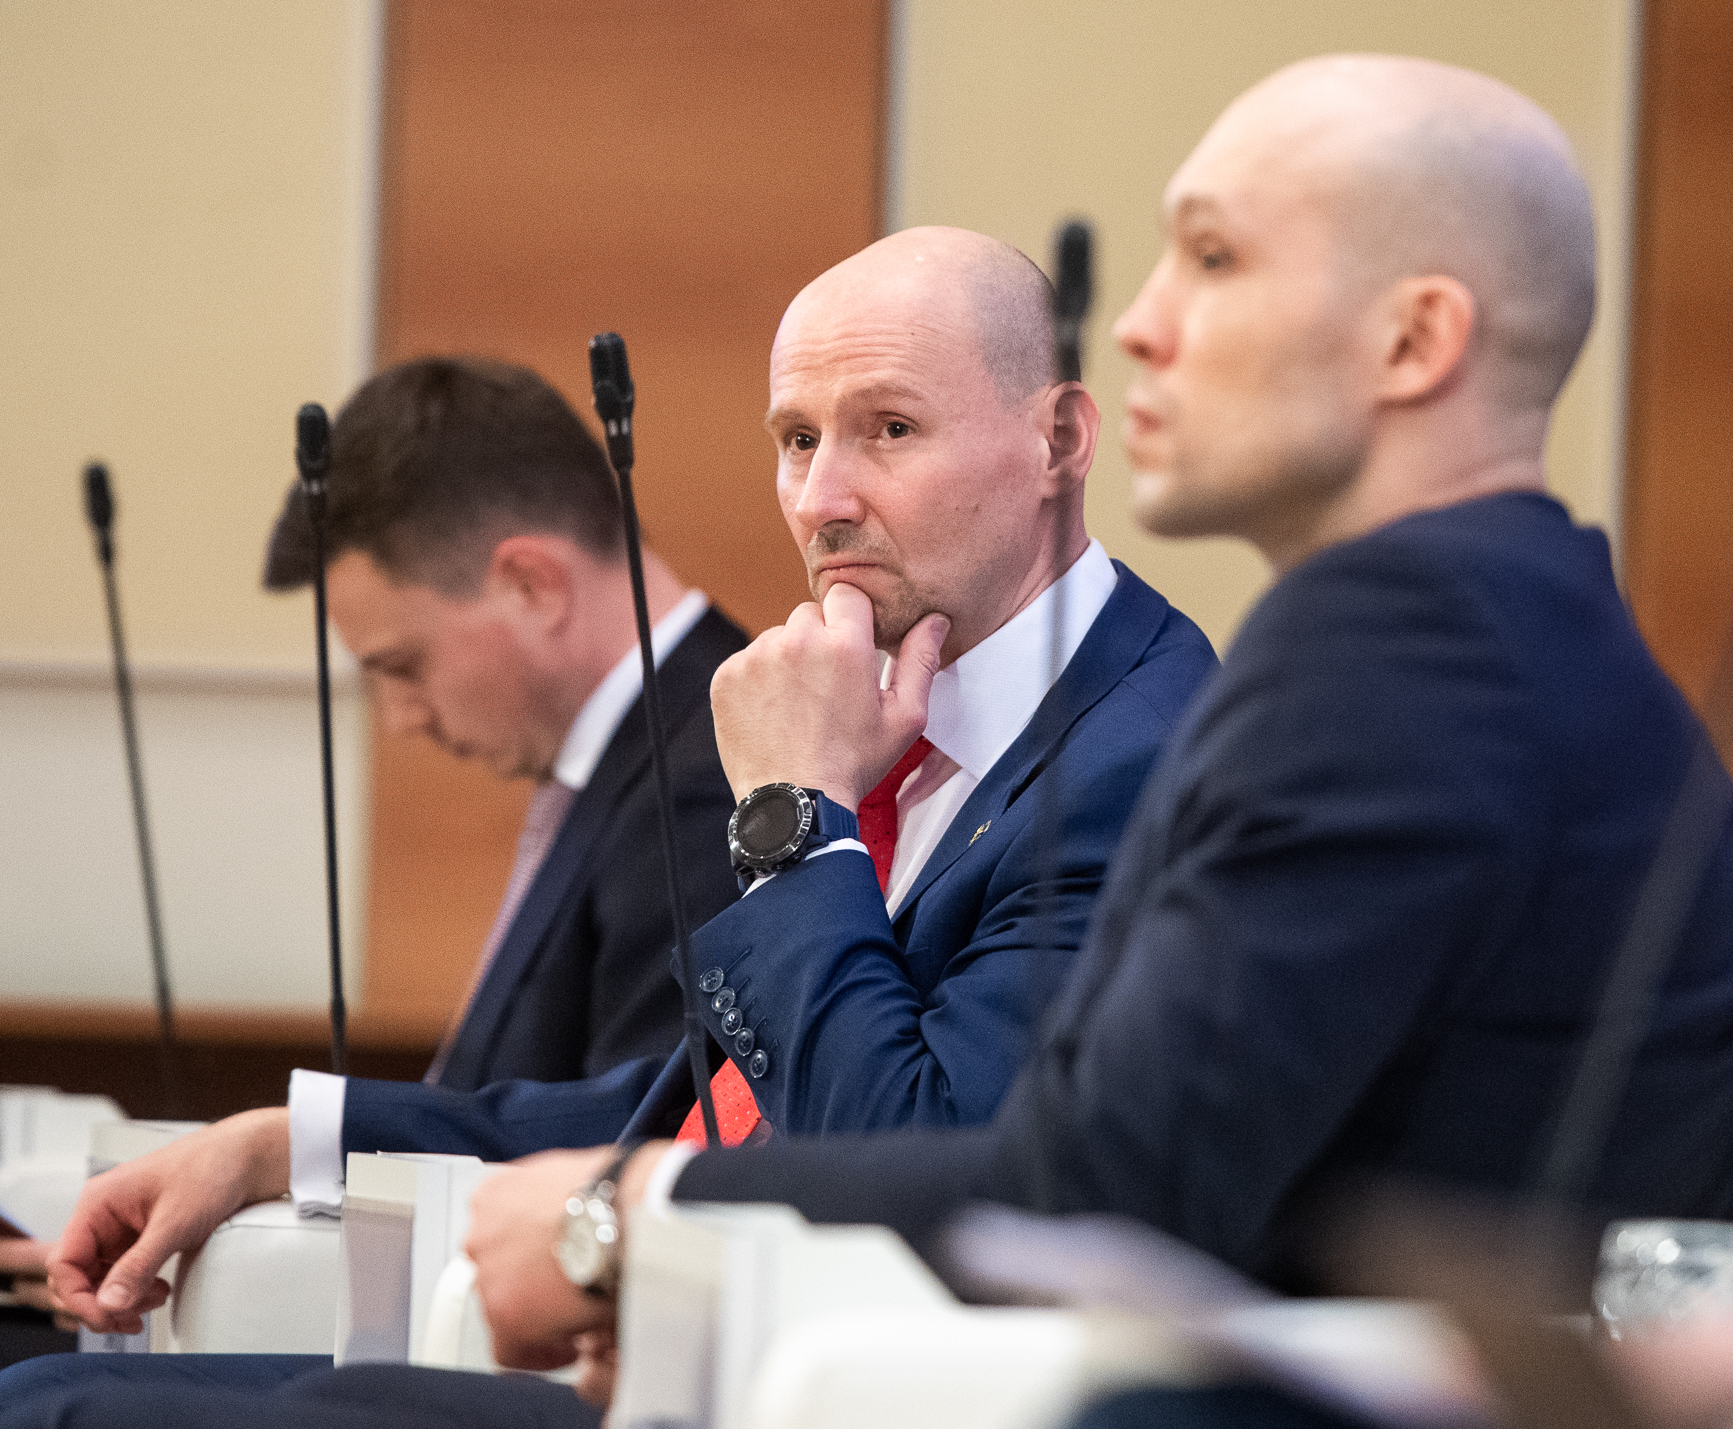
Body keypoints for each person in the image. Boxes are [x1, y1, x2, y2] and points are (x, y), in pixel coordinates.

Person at [447, 50, 1733, 1419]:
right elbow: (1122, 1153)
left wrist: (635, 1211)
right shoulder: (1498, 623)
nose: (1136, 325)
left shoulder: (1405, 649)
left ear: (1412, 343)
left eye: (1213, 258)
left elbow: (1086, 1195)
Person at [0, 226, 1217, 1424]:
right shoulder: (883, 716)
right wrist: (289, 1142)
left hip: (811, 1379)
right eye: (793, 439)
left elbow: (910, 1153)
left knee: (49, 1411)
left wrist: (791, 823)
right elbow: (699, 1107)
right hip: (678, 1337)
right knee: (42, 1396)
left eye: (888, 429)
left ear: (1057, 439)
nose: (821, 499)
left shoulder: (1131, 754)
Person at [0, 354, 750, 1429]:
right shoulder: (636, 763)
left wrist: (270, 1181)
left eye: (400, 665)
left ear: (531, 582)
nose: (402, 718)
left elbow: (640, 1149)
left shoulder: (706, 777)